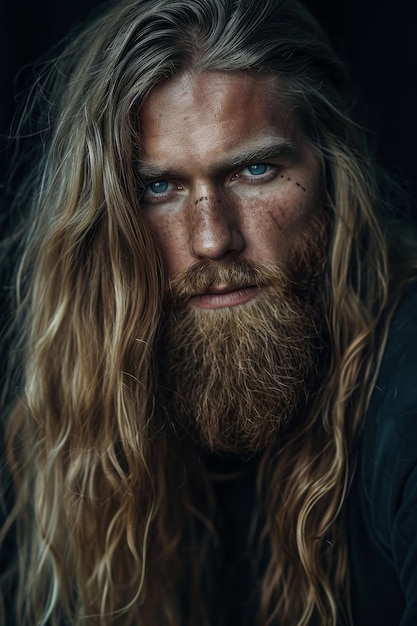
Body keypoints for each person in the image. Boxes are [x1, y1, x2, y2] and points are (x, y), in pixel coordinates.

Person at [1, 0, 416, 624]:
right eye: (158, 188)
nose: (212, 239)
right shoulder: (97, 402)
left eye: (254, 170)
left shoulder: (406, 379)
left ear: (331, 170)